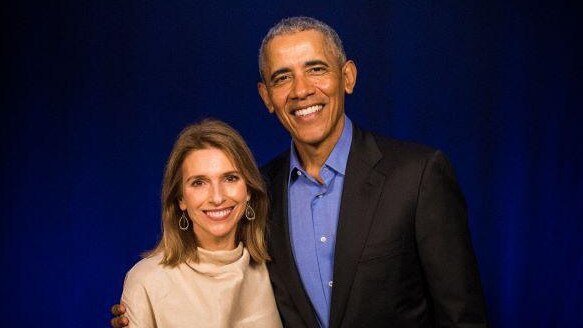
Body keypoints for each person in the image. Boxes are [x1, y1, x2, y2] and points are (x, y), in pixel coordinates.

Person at [112, 16, 488, 327]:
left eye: (316, 69)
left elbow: (462, 318)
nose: (301, 90)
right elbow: (215, 276)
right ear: (266, 97)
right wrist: (144, 308)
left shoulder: (418, 175)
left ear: (348, 77)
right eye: (282, 78)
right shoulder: (259, 193)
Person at [115, 119, 282, 327]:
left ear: (248, 190)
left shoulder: (274, 272)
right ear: (181, 199)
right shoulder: (146, 281)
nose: (217, 197)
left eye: (230, 178)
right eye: (199, 183)